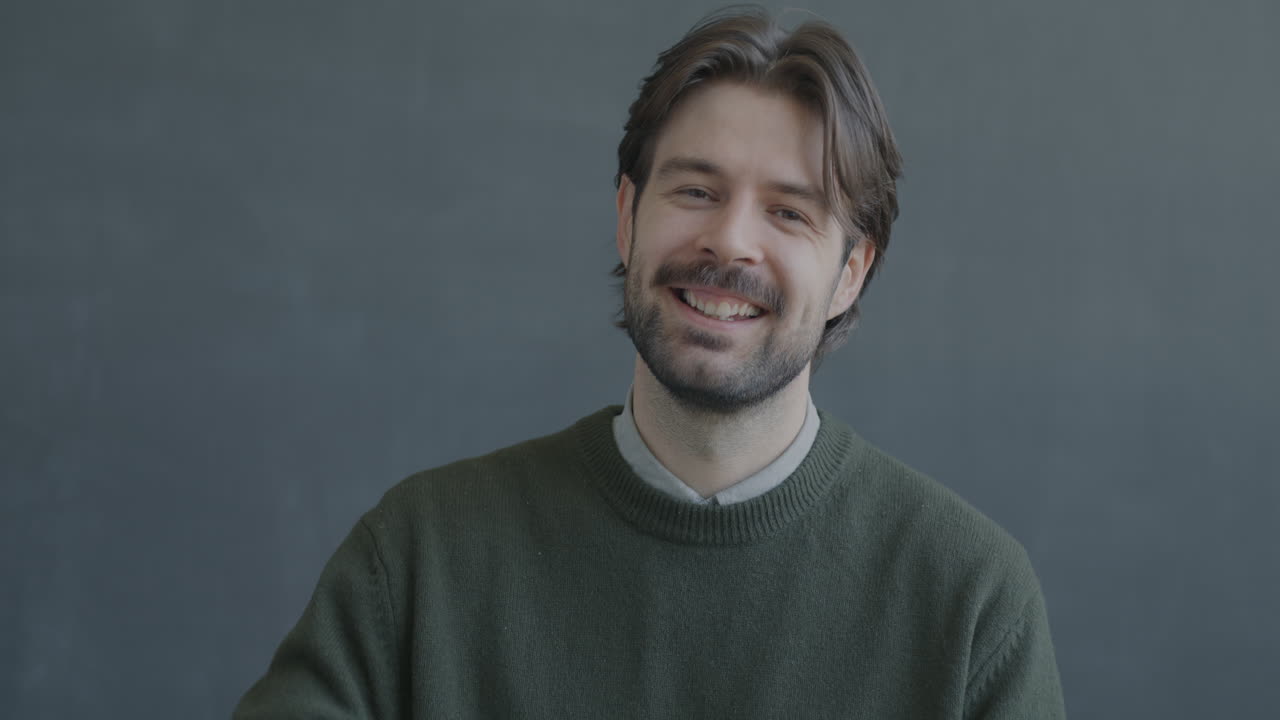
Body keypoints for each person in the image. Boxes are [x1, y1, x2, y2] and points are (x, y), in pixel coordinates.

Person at [234, 8, 1066, 719]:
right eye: (696, 191)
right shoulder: (420, 562)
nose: (730, 240)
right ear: (628, 217)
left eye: (788, 211)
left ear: (850, 272)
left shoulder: (970, 604)